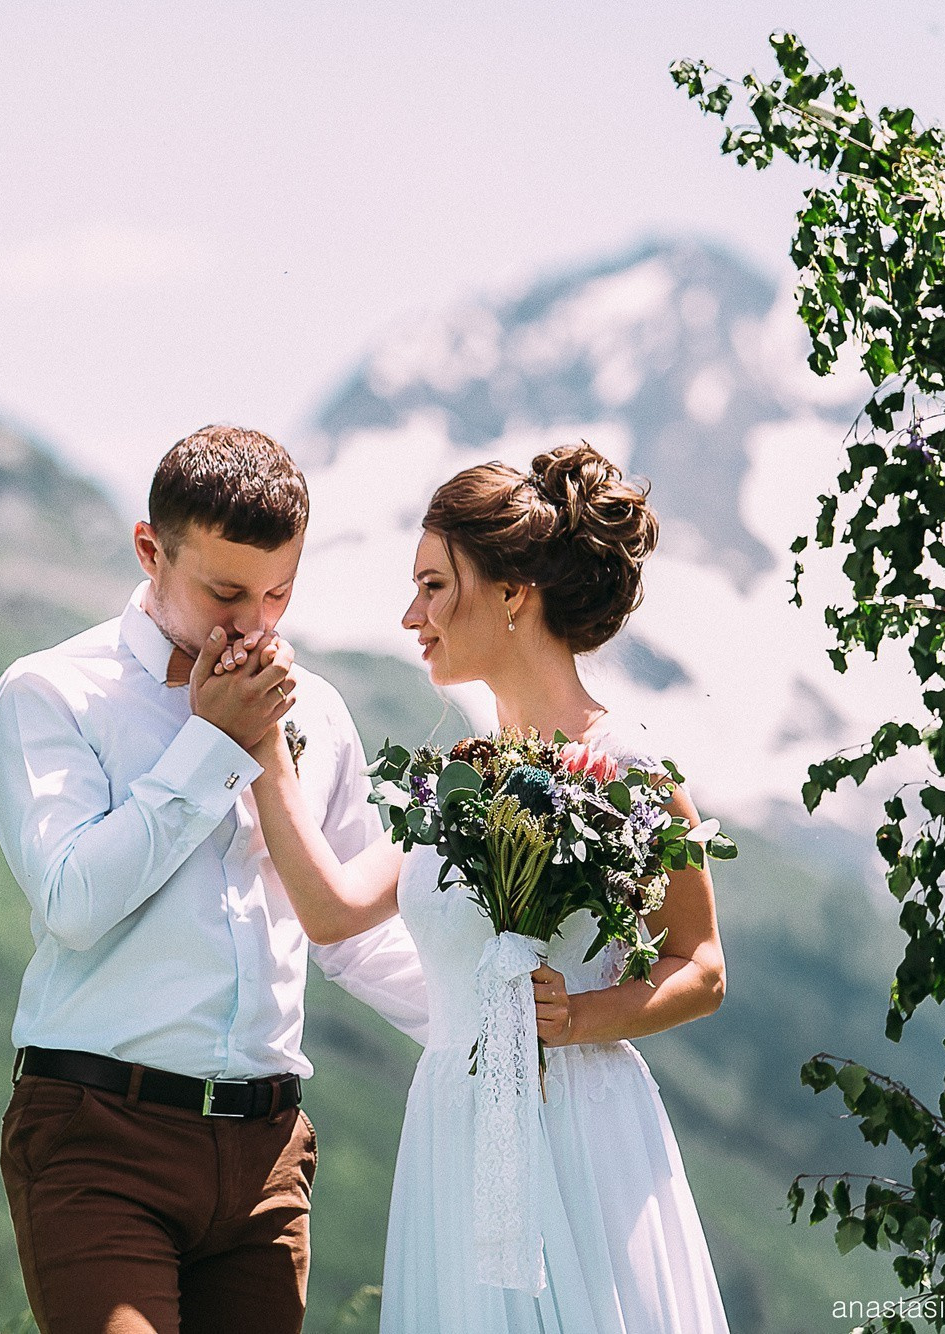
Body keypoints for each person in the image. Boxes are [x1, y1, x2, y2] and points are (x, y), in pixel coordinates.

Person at [239, 443, 732, 1332]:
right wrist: (264, 744)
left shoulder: (628, 769)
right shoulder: (452, 782)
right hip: (454, 1130)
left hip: (578, 1129)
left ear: (512, 594)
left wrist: (576, 1018)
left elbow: (700, 969)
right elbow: (331, 909)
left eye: (433, 586)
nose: (411, 615)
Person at [0, 425, 429, 1334]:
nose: (256, 623)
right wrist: (213, 744)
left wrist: (504, 1032)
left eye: (279, 593)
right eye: (226, 593)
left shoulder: (321, 713)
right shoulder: (51, 692)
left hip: (268, 1155)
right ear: (151, 551)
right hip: (99, 1134)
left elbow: (351, 930)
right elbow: (73, 902)